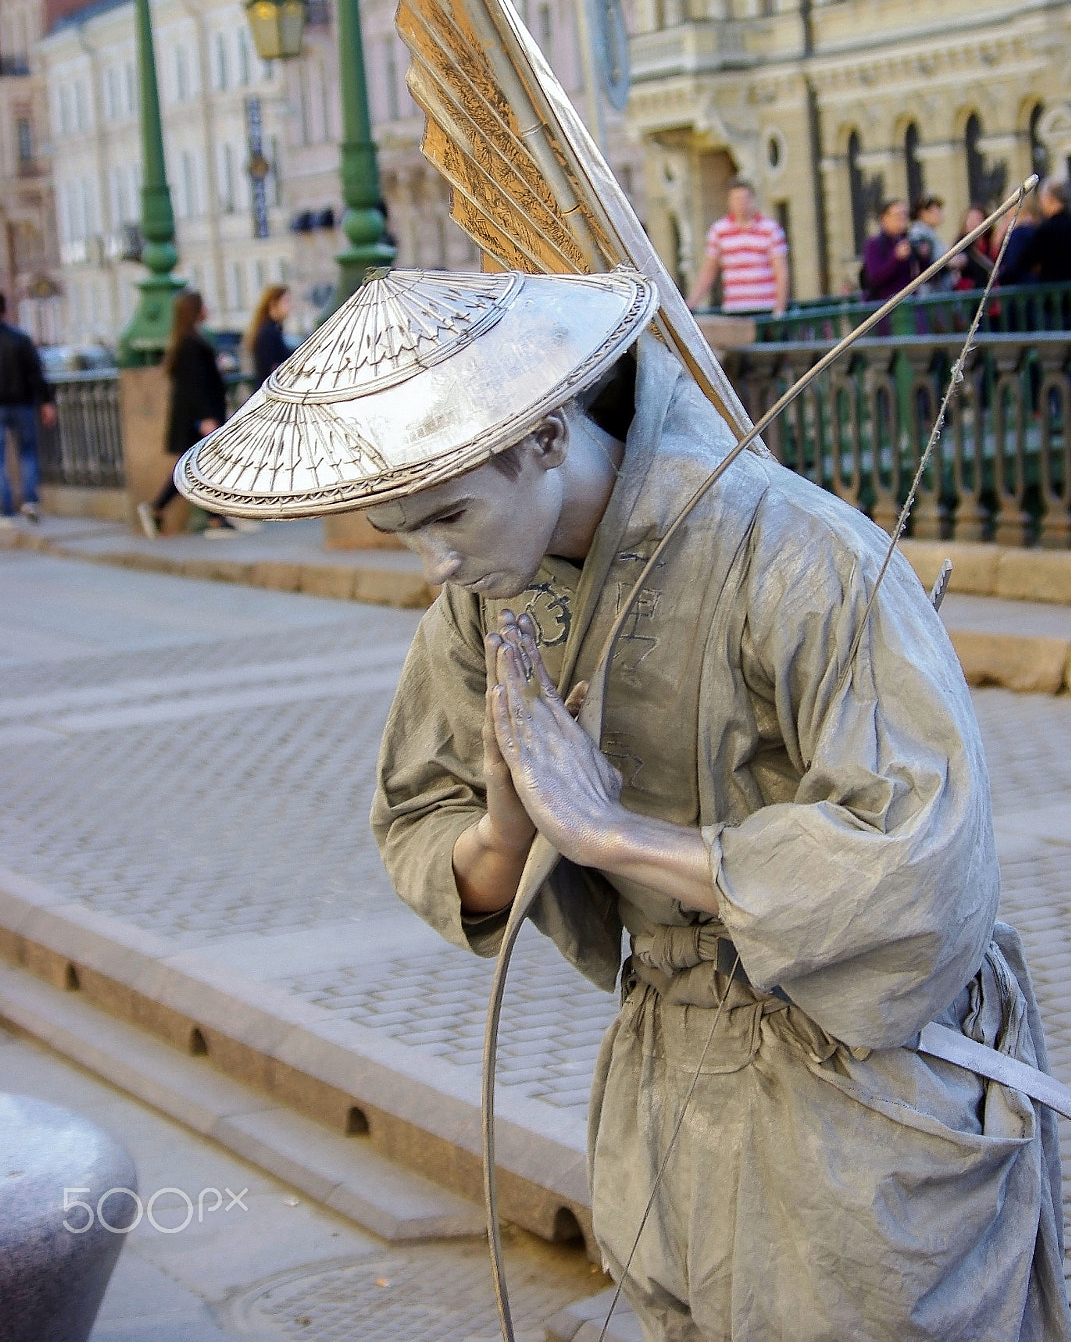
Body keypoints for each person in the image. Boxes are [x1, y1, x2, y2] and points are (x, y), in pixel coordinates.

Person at [177, 267, 1068, 1342]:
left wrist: (611, 833)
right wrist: (513, 822)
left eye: (452, 513)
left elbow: (920, 858)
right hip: (668, 1074)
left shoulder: (798, 554)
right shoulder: (478, 606)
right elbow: (422, 819)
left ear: (547, 435)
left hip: (858, 1089)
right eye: (398, 529)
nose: (436, 562)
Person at [137, 290, 235, 538]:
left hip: (193, 417)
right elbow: (195, 384)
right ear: (195, 311)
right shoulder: (191, 343)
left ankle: (209, 516)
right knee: (197, 468)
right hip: (198, 418)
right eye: (203, 305)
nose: (208, 308)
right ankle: (209, 517)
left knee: (195, 467)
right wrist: (206, 417)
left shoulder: (187, 340)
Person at [687, 179, 789, 316]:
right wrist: (691, 303)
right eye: (736, 199)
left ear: (753, 200)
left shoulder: (770, 229)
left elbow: (781, 271)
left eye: (745, 198)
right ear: (729, 202)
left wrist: (779, 309)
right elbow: (708, 271)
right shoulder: (719, 231)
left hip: (765, 307)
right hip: (734, 308)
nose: (741, 204)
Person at [0, 290, 56, 525]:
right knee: (28, 453)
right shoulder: (20, 338)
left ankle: (5, 511)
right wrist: (46, 401)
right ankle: (30, 500)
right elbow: (36, 373)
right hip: (22, 403)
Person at [1002, 175, 1071, 284]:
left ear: (1050, 199)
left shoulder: (1047, 230)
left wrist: (1001, 277)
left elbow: (1024, 262)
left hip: (1052, 293)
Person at [861, 197, 922, 301]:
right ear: (884, 218)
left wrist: (922, 255)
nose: (902, 218)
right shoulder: (874, 244)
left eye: (905, 214)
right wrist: (896, 258)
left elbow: (922, 275)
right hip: (885, 306)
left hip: (910, 305)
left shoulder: (909, 239)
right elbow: (875, 277)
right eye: (898, 215)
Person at [246, 284, 293, 390]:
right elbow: (269, 367)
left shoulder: (272, 329)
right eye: (286, 301)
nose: (290, 306)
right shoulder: (266, 332)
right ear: (273, 304)